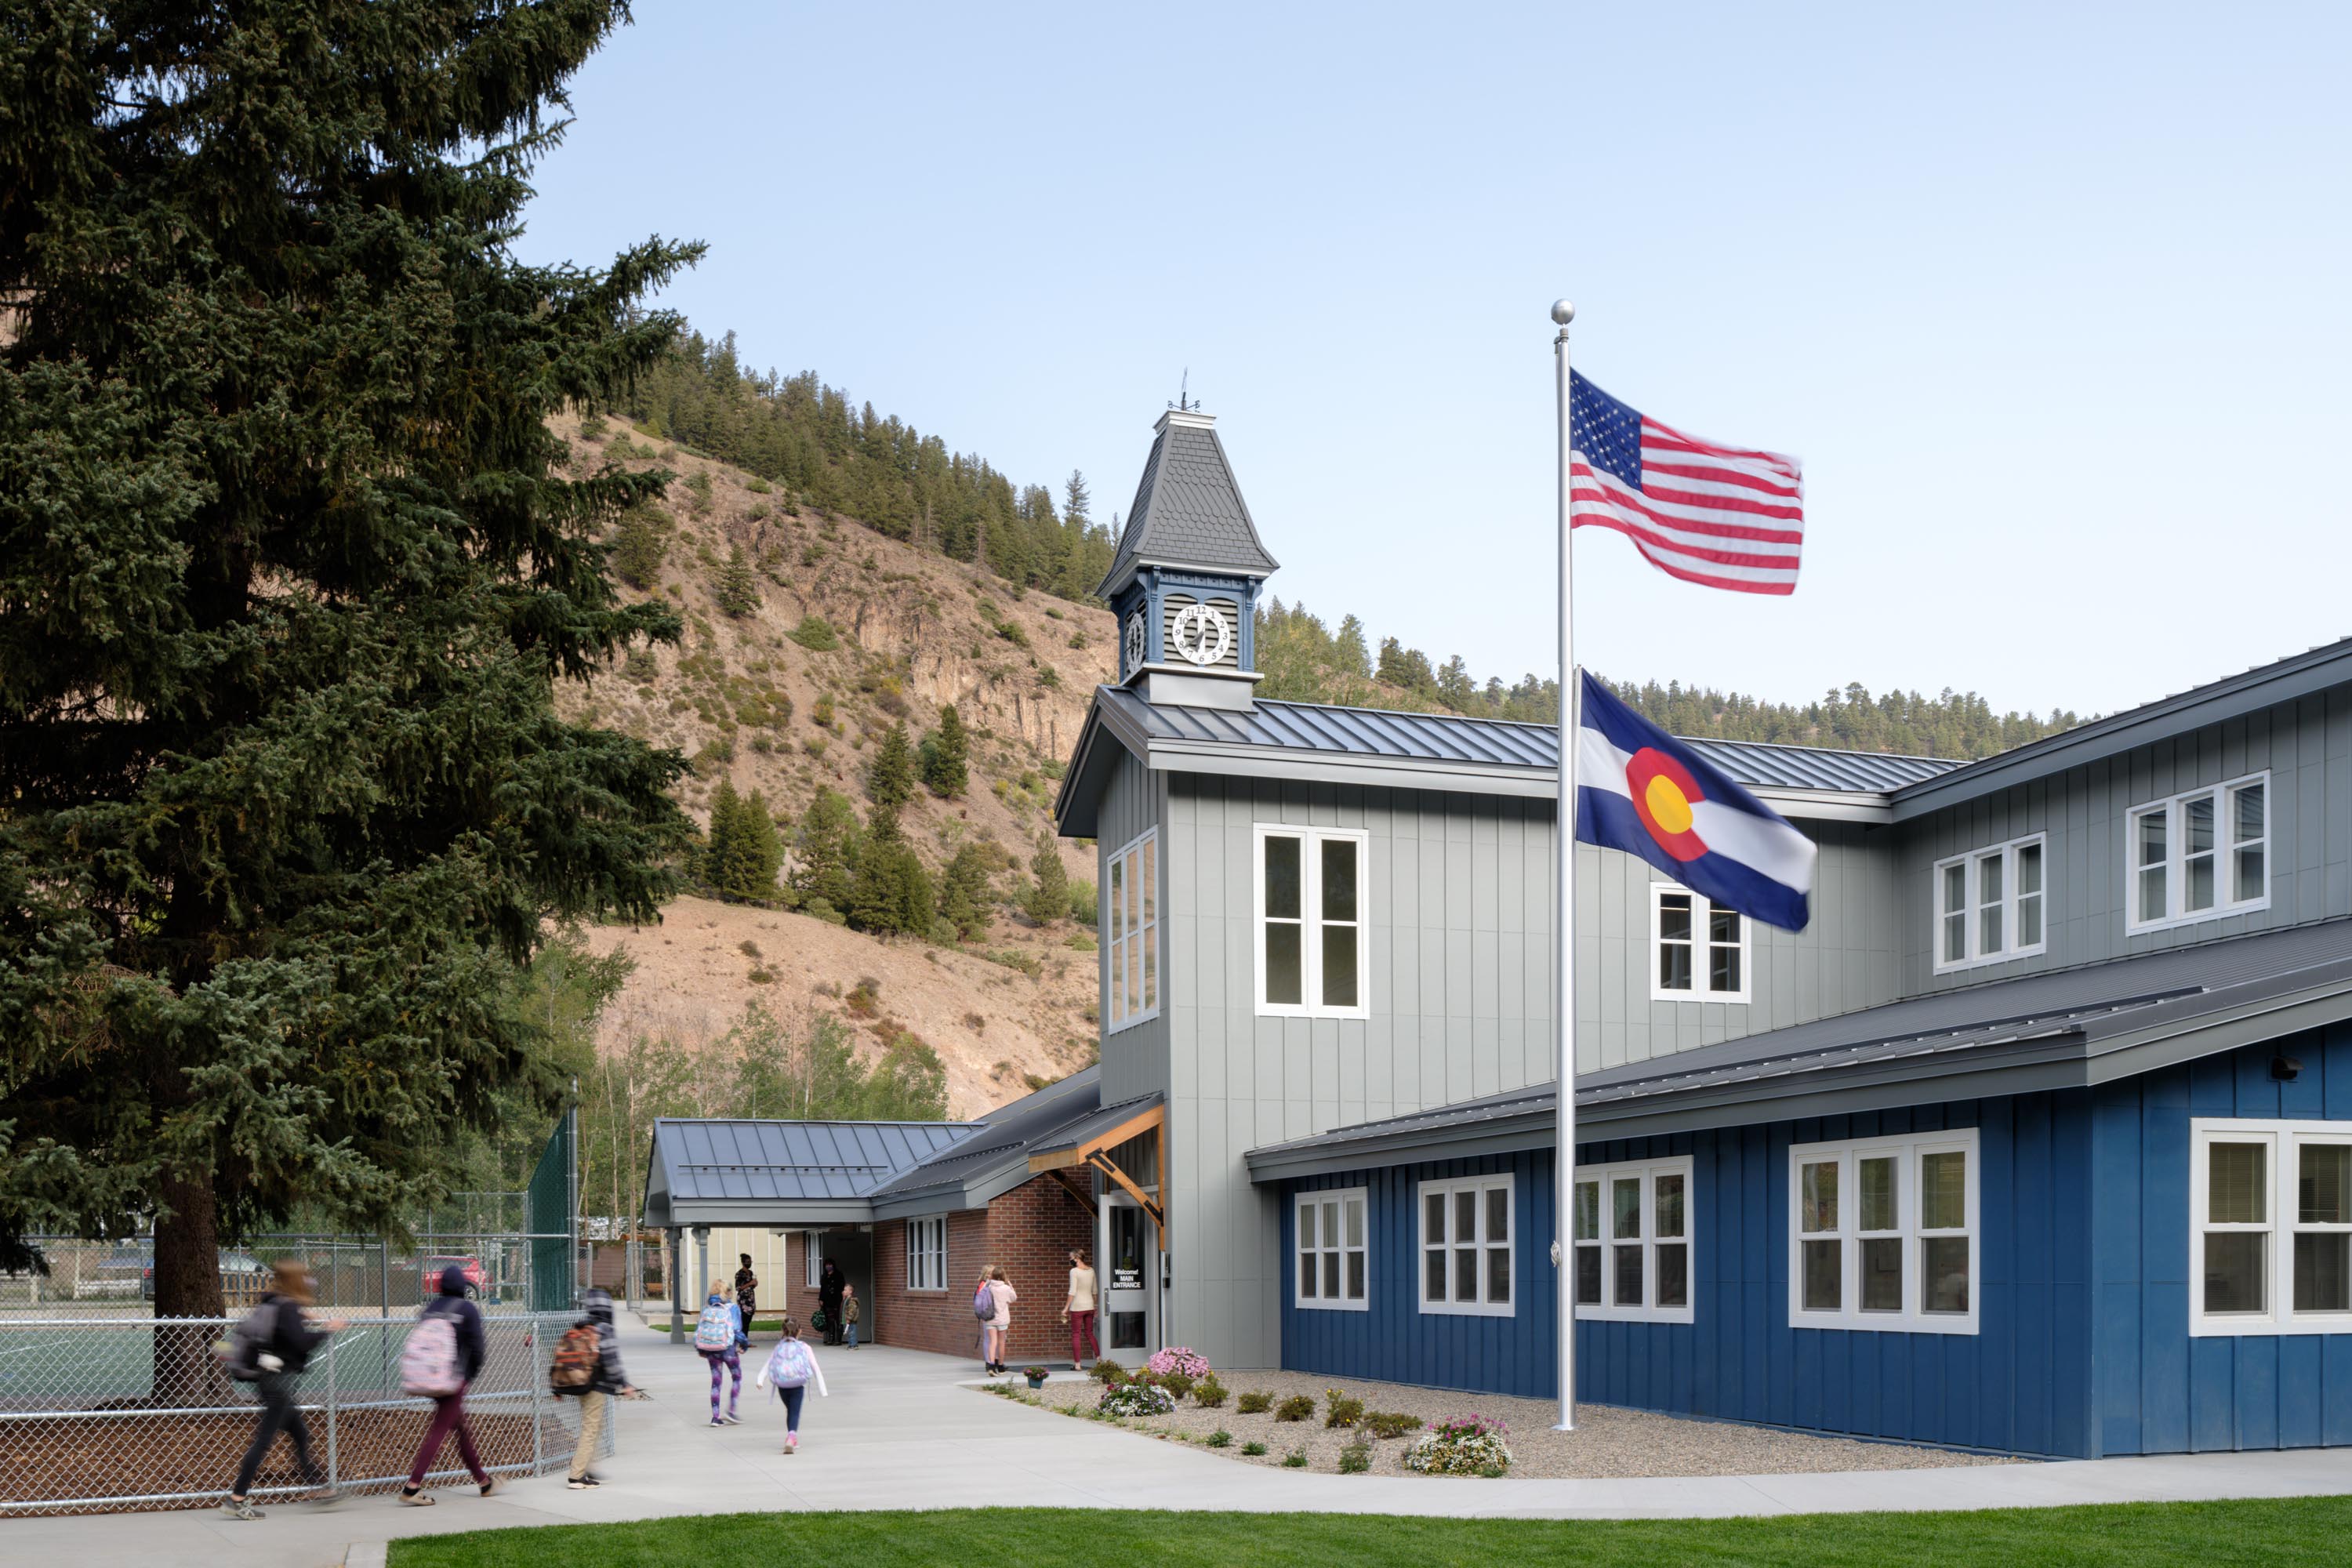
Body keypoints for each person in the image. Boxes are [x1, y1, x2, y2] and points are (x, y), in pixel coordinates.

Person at [223, 1261, 347, 1520]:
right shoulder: (287, 1307)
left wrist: (301, 1316)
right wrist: (327, 1330)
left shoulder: (273, 1302)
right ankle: (237, 1498)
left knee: (300, 1434)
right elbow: (300, 1343)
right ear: (297, 1280)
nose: (310, 1282)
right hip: (277, 1384)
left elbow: (281, 1334)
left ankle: (318, 1488)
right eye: (306, 1277)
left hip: (271, 1380)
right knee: (264, 1441)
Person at [398, 1264, 495, 1504]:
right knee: (439, 1430)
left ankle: (484, 1482)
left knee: (461, 1430)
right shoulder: (467, 1309)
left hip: (430, 1377)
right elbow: (477, 1347)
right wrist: (469, 1376)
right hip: (453, 1379)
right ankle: (412, 1487)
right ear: (463, 1285)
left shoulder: (430, 1309)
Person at [564, 1288, 641, 1490]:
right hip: (596, 1387)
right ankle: (577, 1476)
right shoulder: (604, 1328)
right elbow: (611, 1359)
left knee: (594, 1427)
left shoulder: (582, 1326)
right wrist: (624, 1383)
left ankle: (588, 1468)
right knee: (590, 1429)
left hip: (580, 1385)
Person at [753, 1314, 828, 1454]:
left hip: (782, 1385)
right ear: (799, 1331)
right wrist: (823, 1389)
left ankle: (792, 1437)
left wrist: (760, 1379)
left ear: (783, 1331)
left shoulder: (779, 1347)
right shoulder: (804, 1347)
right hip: (797, 1384)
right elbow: (815, 1366)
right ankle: (792, 1436)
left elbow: (769, 1364)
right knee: (794, 1411)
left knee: (790, 1410)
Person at [696, 1279, 746, 1426]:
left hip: (711, 1350)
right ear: (728, 1292)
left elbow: (700, 1329)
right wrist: (744, 1344)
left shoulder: (708, 1308)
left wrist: (701, 1349)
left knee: (716, 1382)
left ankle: (715, 1417)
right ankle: (730, 1410)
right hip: (728, 1349)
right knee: (737, 1377)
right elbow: (737, 1330)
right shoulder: (732, 1308)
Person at [1061, 1246, 1098, 1370]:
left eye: (1071, 1258)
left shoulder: (1074, 1271)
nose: (1070, 1260)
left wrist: (1066, 1308)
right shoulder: (1091, 1270)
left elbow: (1072, 1291)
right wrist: (1095, 1305)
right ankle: (1100, 1360)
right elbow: (1094, 1291)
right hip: (1090, 1306)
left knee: (1076, 1335)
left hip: (1077, 1307)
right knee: (1090, 1333)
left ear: (1077, 1258)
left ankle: (1077, 1365)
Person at [980, 1264, 1015, 1375]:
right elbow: (1013, 1298)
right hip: (1003, 1319)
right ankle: (1000, 1366)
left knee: (992, 1342)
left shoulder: (989, 1287)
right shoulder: (1006, 1288)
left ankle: (990, 1366)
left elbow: (981, 1296)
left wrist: (988, 1282)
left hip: (990, 1319)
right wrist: (1009, 1284)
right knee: (1001, 1343)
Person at [815, 1257, 846, 1346]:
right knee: (829, 1320)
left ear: (833, 1265)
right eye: (827, 1265)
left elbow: (842, 1286)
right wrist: (821, 1299)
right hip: (827, 1300)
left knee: (837, 1319)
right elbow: (822, 1288)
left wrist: (834, 1289)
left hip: (836, 1299)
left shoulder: (839, 1274)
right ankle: (830, 1338)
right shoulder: (824, 1276)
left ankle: (838, 1339)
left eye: (830, 1265)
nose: (828, 1266)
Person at [733, 1252, 759, 1330]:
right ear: (743, 1263)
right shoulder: (739, 1274)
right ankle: (743, 1339)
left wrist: (754, 1284)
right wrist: (750, 1283)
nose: (749, 1263)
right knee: (744, 1321)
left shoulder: (751, 1273)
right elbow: (738, 1288)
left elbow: (751, 1286)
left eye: (750, 1262)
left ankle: (745, 1339)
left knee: (748, 1320)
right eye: (747, 1262)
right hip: (743, 1300)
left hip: (750, 1299)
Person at [840, 1281, 860, 1349]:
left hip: (851, 1320)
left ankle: (853, 1345)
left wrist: (849, 1318)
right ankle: (852, 1344)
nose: (844, 1291)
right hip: (848, 1319)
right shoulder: (846, 1299)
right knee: (850, 1332)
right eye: (844, 1290)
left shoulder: (852, 1300)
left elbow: (852, 1310)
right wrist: (843, 1298)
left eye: (845, 1290)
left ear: (850, 1291)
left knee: (852, 1332)